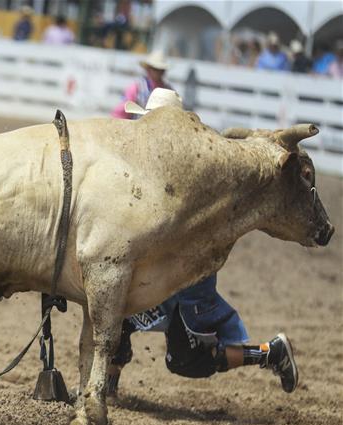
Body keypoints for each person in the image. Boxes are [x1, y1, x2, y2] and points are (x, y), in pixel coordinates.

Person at [106, 89, 299, 397]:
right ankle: (106, 386)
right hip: (169, 267)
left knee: (186, 359)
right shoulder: (160, 161)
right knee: (115, 312)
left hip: (185, 274)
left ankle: (270, 353)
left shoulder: (181, 168)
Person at [111, 50, 172, 120]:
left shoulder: (169, 91)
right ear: (148, 69)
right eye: (155, 69)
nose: (158, 72)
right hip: (137, 124)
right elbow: (123, 109)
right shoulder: (137, 87)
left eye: (160, 70)